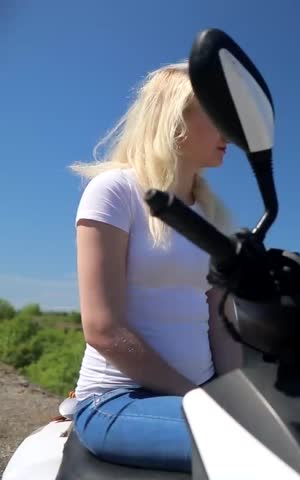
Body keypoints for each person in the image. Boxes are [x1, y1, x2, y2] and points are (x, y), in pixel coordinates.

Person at [67, 61, 242, 473]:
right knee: (257, 450)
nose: (230, 131)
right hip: (117, 399)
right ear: (176, 118)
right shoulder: (114, 191)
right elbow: (103, 330)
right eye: (217, 114)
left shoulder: (213, 216)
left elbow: (221, 322)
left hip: (195, 398)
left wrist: (233, 397)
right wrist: (200, 401)